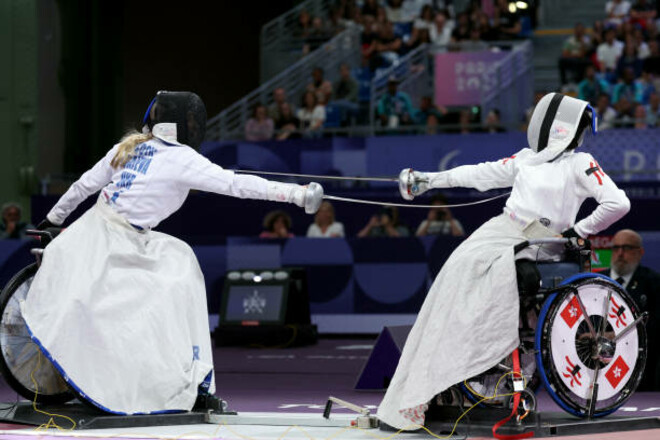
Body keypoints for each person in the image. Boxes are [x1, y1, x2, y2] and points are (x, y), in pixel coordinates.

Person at [22, 91, 324, 415]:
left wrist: (53, 218)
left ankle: (192, 379)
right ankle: (186, 381)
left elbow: (83, 186)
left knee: (180, 261)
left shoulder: (132, 147)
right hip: (114, 244)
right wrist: (297, 194)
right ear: (183, 124)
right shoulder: (179, 158)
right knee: (174, 275)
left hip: (98, 232)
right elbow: (236, 184)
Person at [379, 93, 631, 429]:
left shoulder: (580, 163)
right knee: (453, 276)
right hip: (501, 230)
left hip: (541, 241)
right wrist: (429, 180)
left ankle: (474, 361)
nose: (580, 138)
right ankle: (424, 388)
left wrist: (578, 231)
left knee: (490, 278)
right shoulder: (527, 159)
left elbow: (618, 203)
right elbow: (479, 174)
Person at [602, 229, 660, 391]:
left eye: (627, 248)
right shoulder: (595, 281)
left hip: (639, 365)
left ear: (640, 252)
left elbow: (656, 325)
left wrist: (617, 336)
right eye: (616, 248)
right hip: (597, 363)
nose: (620, 253)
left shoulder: (653, 283)